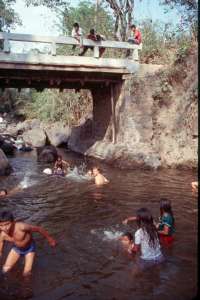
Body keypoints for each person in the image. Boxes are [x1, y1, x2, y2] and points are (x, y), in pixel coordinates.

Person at [0, 211, 56, 276]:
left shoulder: (22, 227)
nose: (4, 228)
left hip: (29, 249)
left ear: (13, 222)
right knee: (5, 269)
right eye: (1, 225)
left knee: (26, 274)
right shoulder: (2, 235)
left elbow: (39, 229)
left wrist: (50, 239)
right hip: (16, 249)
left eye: (7, 224)